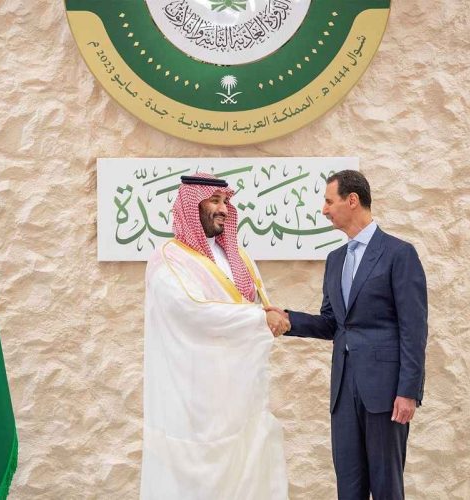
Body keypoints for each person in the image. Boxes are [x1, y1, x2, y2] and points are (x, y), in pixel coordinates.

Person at [266, 170, 428, 500]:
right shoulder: (335, 259)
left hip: (385, 394)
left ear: (352, 200)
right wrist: (289, 320)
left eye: (329, 201)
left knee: (386, 488)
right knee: (349, 488)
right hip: (343, 391)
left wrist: (408, 391)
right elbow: (333, 324)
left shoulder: (399, 254)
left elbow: (414, 329)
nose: (324, 209)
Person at [140, 173, 289, 500]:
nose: (223, 209)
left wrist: (266, 316)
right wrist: (258, 319)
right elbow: (191, 310)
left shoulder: (238, 257)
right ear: (193, 205)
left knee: (246, 472)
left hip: (239, 392)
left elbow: (257, 301)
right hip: (193, 398)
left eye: (226, 202)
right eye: (215, 201)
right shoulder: (168, 259)